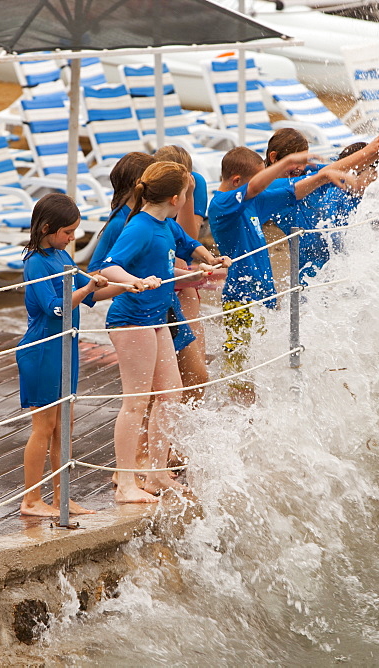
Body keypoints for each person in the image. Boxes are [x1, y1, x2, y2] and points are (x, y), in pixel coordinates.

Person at [208, 134, 379, 397]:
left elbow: (316, 176)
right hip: (241, 298)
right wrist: (289, 161)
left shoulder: (255, 200)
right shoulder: (222, 204)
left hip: (265, 297)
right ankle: (233, 415)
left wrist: (372, 152)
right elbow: (256, 186)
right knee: (241, 370)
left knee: (265, 364)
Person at [98, 161, 231, 503]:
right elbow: (108, 266)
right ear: (175, 199)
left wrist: (209, 261)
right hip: (132, 319)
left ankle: (156, 473)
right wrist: (133, 282)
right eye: (187, 196)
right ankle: (127, 483)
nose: (187, 201)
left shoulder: (164, 224)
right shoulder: (140, 227)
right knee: (136, 402)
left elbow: (188, 246)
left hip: (158, 319)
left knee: (171, 394)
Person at [17, 193, 133, 517]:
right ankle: (30, 500)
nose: (72, 239)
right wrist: (86, 289)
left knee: (63, 426)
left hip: (65, 347)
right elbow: (55, 308)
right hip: (41, 349)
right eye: (68, 233)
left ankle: (61, 497)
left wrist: (129, 286)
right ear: (47, 228)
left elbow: (96, 291)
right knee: (44, 425)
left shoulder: (61, 258)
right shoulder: (36, 263)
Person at [264, 129, 379, 284]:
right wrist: (370, 150)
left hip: (331, 261)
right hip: (308, 267)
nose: (300, 168)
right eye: (296, 162)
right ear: (274, 158)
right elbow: (327, 173)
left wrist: (378, 152)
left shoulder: (305, 172)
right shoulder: (270, 189)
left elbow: (342, 167)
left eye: (303, 161)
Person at [152, 145, 218, 404]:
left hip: (182, 280)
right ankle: (156, 443)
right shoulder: (150, 194)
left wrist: (188, 196)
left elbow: (188, 241)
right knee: (160, 386)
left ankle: (181, 441)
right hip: (158, 285)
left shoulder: (195, 183)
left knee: (195, 376)